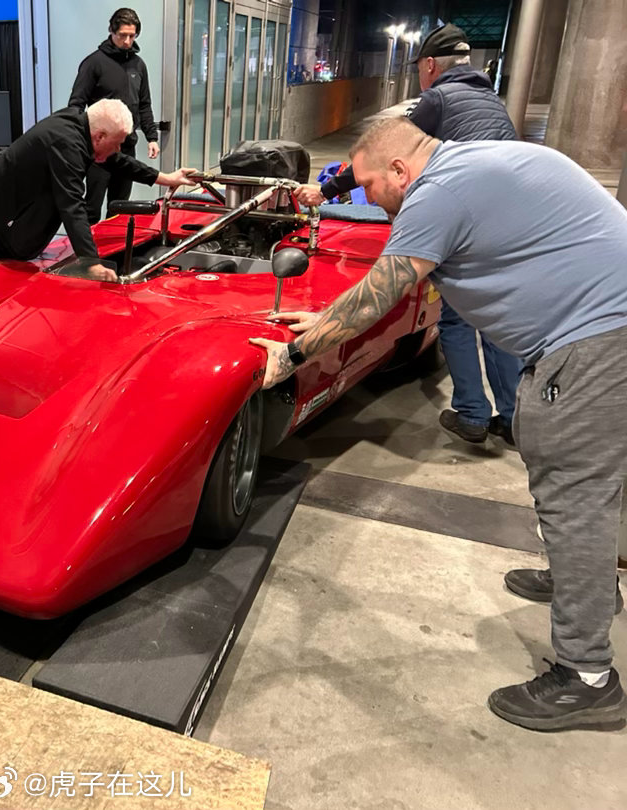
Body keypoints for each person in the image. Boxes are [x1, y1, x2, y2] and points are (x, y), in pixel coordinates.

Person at [252, 116, 627, 731]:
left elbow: (383, 291)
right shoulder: (468, 163)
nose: (369, 198)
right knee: (586, 486)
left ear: (400, 171)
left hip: (596, 342)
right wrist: (326, 316)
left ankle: (587, 679)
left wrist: (294, 354)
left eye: (371, 186)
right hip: (604, 326)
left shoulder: (437, 193)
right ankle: (584, 582)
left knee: (575, 494)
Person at [295, 23, 523, 446]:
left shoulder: (438, 98)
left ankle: (473, 413)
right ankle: (512, 417)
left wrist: (325, 191)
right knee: (494, 319)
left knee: (455, 315)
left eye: (418, 67)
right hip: (508, 222)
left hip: (468, 219)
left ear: (430, 65)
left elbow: (382, 155)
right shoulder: (489, 99)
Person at [0, 98, 195, 282]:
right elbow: (72, 205)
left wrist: (165, 178)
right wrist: (91, 263)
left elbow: (117, 161)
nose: (118, 149)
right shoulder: (66, 143)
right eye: (117, 143)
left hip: (14, 214)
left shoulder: (83, 128)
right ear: (99, 136)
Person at [69, 8, 160, 225]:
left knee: (119, 208)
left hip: (126, 147)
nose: (127, 41)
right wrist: (82, 141)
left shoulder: (139, 65)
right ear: (111, 31)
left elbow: (144, 104)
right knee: (92, 208)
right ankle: (86, 246)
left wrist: (152, 137)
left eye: (132, 36)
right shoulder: (94, 63)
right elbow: (76, 105)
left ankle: (113, 245)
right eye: (122, 35)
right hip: (99, 150)